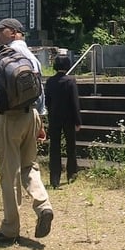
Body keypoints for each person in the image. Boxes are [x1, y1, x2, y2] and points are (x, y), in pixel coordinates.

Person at [0, 18, 53, 243]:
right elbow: (39, 91)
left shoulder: (2, 57)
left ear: (14, 32)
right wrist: (39, 122)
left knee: (9, 175)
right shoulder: (32, 58)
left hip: (9, 120)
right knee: (30, 166)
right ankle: (43, 206)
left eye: (1, 31)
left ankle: (10, 229)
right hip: (32, 116)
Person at [45, 54, 82, 189]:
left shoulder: (49, 82)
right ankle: (71, 173)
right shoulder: (70, 81)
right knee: (70, 146)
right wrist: (78, 121)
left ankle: (54, 177)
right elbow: (75, 103)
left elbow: (47, 101)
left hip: (54, 117)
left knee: (54, 147)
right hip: (69, 118)